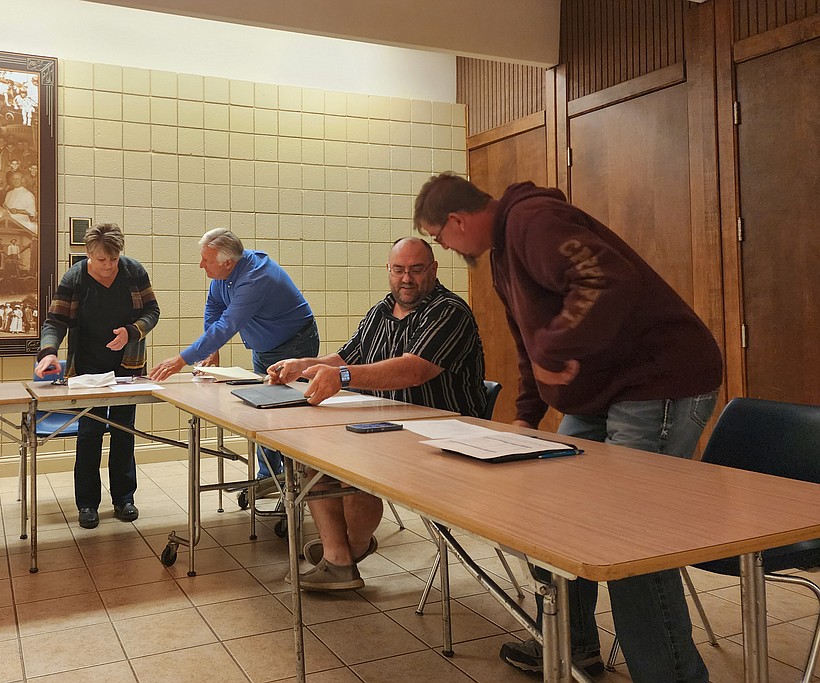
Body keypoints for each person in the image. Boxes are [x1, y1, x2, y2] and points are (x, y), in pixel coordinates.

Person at [413, 172, 722, 683]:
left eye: (437, 237)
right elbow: (529, 345)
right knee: (555, 511)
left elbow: (604, 280)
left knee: (629, 538)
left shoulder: (533, 220)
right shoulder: (503, 257)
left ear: (457, 221)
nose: (443, 247)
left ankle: (671, 675)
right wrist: (525, 417)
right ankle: (571, 646)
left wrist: (557, 347)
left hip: (658, 381)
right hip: (605, 393)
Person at [268, 237, 486, 590]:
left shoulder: (449, 312)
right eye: (399, 270)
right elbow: (344, 359)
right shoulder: (380, 311)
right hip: (385, 425)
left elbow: (413, 370)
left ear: (433, 270)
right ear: (388, 271)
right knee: (310, 456)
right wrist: (303, 365)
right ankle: (338, 560)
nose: (407, 279)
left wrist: (342, 376)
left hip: (441, 434)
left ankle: (349, 550)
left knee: (356, 469)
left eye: (416, 270)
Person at [149, 228, 318, 481]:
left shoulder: (255, 278)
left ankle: (297, 482)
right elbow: (214, 309)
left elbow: (227, 324)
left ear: (227, 262)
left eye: (206, 260)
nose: (200, 265)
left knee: (287, 416)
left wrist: (181, 360)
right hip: (264, 348)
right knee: (263, 412)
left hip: (294, 346)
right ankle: (267, 478)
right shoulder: (223, 274)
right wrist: (213, 350)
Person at [35, 223, 160, 529]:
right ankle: (87, 504)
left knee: (123, 432)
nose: (108, 265)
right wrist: (48, 352)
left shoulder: (134, 272)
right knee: (89, 435)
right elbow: (55, 321)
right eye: (101, 259)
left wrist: (132, 331)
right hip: (87, 369)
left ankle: (124, 499)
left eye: (114, 259)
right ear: (88, 254)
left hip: (128, 366)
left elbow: (152, 311)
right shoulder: (75, 278)